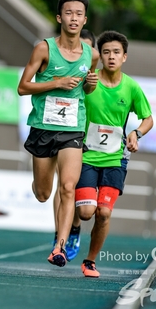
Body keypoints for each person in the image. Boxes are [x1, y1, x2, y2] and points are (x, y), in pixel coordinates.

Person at [18, 0, 99, 267]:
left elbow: (88, 88)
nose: (73, 18)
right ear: (59, 17)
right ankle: (41, 180)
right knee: (44, 193)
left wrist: (90, 84)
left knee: (68, 187)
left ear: (84, 19)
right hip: (43, 127)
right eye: (68, 13)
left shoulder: (92, 55)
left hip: (72, 129)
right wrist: (56, 82)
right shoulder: (44, 49)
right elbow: (22, 87)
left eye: (78, 14)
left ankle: (59, 247)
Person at [73, 31, 153, 278]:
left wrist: (136, 134)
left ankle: (90, 261)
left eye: (116, 52)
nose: (111, 56)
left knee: (104, 212)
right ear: (100, 55)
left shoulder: (131, 87)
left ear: (124, 57)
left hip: (115, 159)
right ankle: (74, 224)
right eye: (106, 51)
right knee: (86, 212)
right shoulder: (89, 82)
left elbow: (148, 119)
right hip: (86, 156)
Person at [51, 28, 97, 259]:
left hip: (92, 143)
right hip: (69, 135)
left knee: (83, 205)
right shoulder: (63, 73)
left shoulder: (96, 80)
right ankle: (61, 234)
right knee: (65, 185)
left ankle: (74, 227)